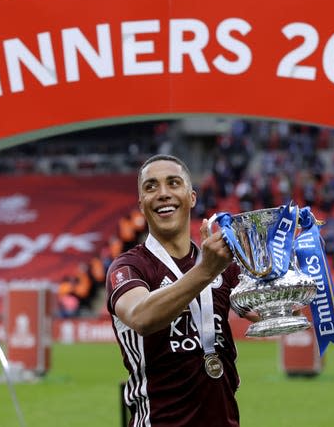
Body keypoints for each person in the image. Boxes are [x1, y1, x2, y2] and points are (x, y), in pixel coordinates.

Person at [106, 154, 247, 426]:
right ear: (141, 205)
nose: (163, 194)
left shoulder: (220, 263)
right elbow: (141, 316)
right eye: (151, 187)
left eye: (173, 183)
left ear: (191, 197)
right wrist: (206, 271)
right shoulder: (128, 267)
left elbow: (261, 313)